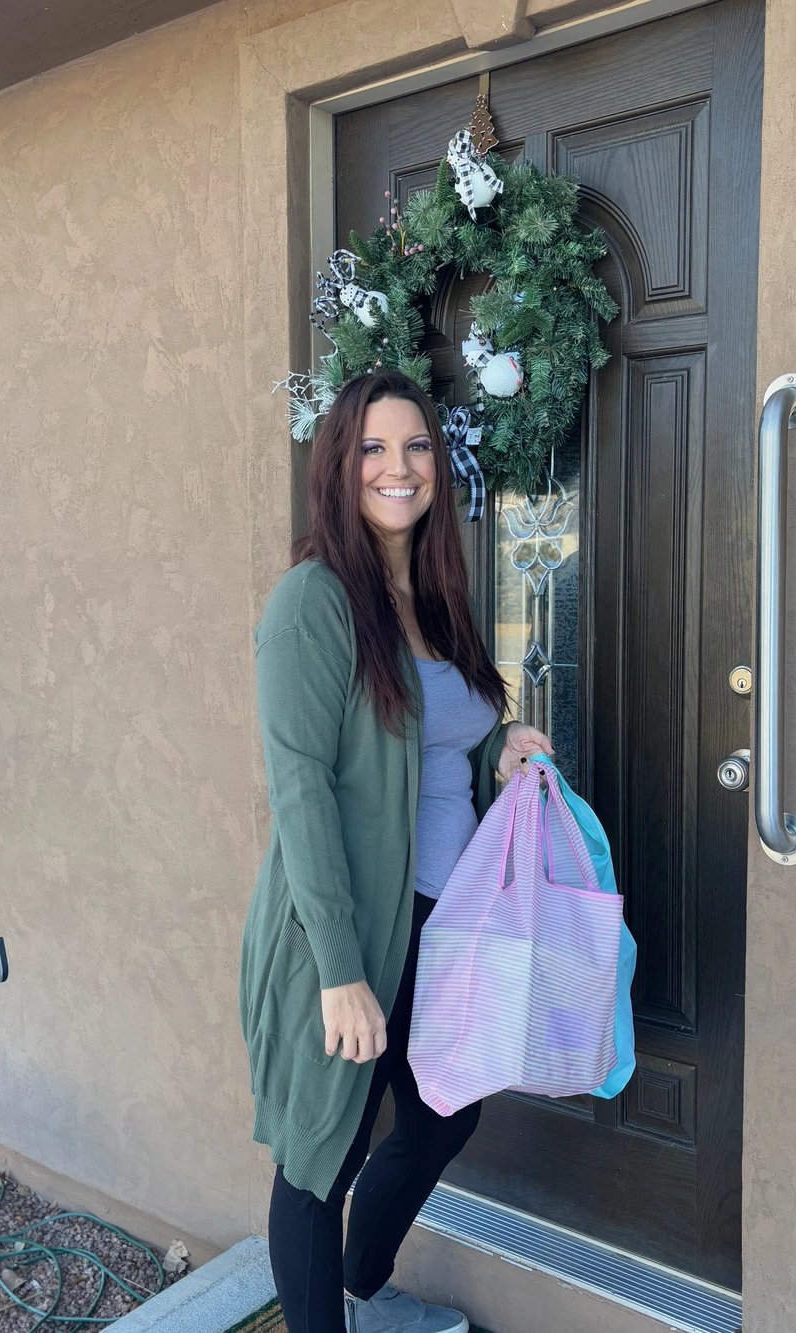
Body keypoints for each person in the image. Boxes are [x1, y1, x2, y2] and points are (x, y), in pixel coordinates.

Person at [239, 371, 552, 1333]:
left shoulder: (440, 596)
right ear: (340, 465)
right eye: (373, 447)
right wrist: (340, 970)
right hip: (347, 928)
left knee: (444, 1116)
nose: (397, 466)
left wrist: (498, 747)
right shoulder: (314, 602)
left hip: (442, 924)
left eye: (415, 446)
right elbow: (302, 791)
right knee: (316, 1160)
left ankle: (361, 1285)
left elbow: (437, 737)